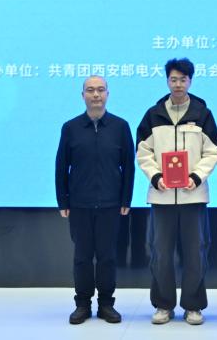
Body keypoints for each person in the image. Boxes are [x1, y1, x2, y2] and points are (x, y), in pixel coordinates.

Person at [136, 58, 217, 325]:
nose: (178, 84)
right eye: (173, 79)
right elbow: (143, 151)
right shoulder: (153, 114)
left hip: (193, 196)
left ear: (190, 81)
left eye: (183, 79)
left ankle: (193, 306)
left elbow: (213, 151)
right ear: (167, 81)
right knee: (161, 253)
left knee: (196, 253)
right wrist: (156, 176)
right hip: (161, 196)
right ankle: (163, 305)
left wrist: (196, 176)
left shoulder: (202, 113)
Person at [55, 75, 135, 325]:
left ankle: (106, 304)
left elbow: (128, 166)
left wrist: (126, 198)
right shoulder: (70, 128)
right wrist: (63, 201)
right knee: (82, 257)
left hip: (111, 204)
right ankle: (82, 304)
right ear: (83, 96)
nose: (96, 94)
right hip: (79, 204)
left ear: (108, 94)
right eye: (90, 90)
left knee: (107, 256)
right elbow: (61, 166)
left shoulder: (120, 127)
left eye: (100, 90)